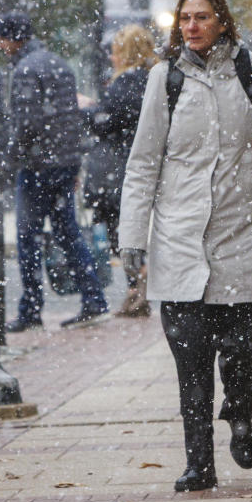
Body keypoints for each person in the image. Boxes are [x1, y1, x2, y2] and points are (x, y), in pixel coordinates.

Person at [118, 0, 252, 492]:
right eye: (185, 19)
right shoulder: (165, 78)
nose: (192, 27)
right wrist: (133, 235)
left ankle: (241, 408)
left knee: (242, 352)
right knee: (191, 359)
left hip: (243, 233)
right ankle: (199, 462)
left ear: (222, 20)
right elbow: (143, 163)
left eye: (202, 17)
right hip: (179, 240)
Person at [0, 11, 109, 332]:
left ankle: (31, 309)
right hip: (63, 162)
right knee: (66, 231)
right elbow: (70, 117)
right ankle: (94, 298)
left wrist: (12, 161)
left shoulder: (24, 69)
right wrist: (73, 162)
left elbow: (26, 125)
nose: (1, 46)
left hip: (37, 165)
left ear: (12, 38)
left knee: (27, 237)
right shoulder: (59, 63)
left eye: (2, 39)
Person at [80, 24, 157, 317]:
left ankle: (139, 284)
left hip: (118, 169)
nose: (112, 58)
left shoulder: (126, 83)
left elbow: (106, 121)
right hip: (132, 165)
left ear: (126, 53)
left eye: (115, 52)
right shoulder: (149, 79)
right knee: (127, 232)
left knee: (122, 235)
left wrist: (87, 109)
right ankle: (136, 293)